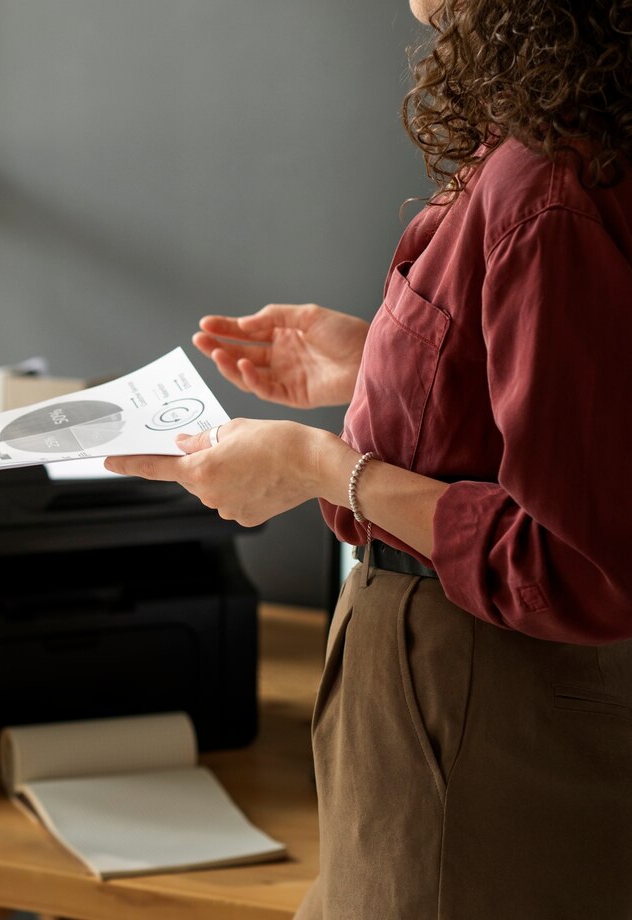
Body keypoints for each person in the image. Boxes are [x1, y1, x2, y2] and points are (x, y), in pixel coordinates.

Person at [105, 0, 632, 917]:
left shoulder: (545, 184)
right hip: (460, 715)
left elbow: (578, 565)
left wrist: (318, 467)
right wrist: (385, 363)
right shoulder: (568, 136)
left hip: (480, 718)